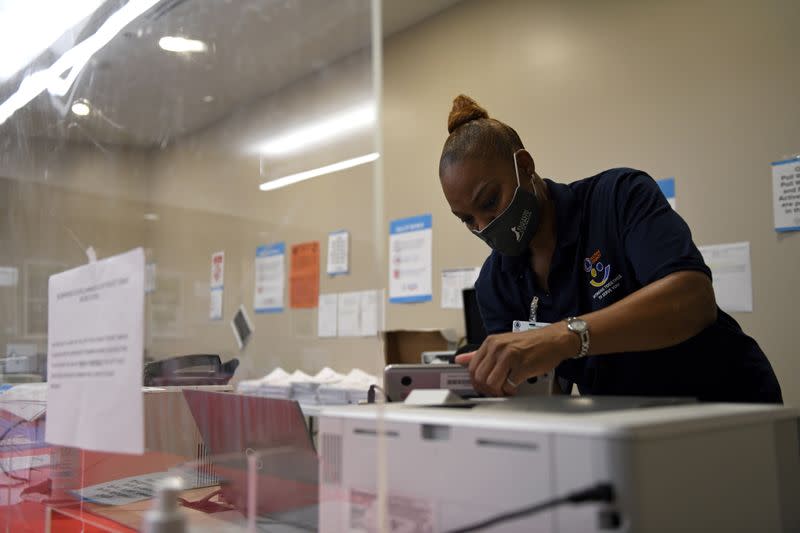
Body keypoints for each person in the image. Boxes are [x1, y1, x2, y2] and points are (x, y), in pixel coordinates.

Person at [439, 94, 782, 403]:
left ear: (525, 166)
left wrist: (563, 337)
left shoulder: (618, 198)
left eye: (490, 201)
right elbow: (543, 394)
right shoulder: (496, 283)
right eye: (467, 219)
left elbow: (693, 301)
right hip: (624, 428)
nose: (484, 227)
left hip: (723, 405)